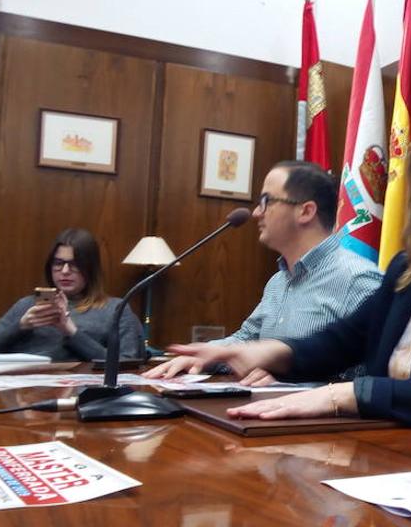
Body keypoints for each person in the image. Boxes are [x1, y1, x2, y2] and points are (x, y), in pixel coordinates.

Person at [168, 133, 411, 428]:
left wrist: (347, 395)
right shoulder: (408, 271)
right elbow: (344, 339)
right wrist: (264, 351)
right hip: (398, 440)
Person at [143, 161, 382, 385]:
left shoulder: (358, 280)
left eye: (266, 201)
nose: (257, 212)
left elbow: (373, 371)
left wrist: (290, 377)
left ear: (306, 211)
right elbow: (248, 338)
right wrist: (207, 356)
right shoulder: (279, 281)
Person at [0, 228, 143, 361]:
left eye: (75, 264)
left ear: (90, 268)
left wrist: (70, 331)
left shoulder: (115, 309)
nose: (65, 271)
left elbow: (128, 364)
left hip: (81, 396)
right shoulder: (27, 305)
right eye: (58, 263)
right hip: (24, 393)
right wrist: (20, 327)